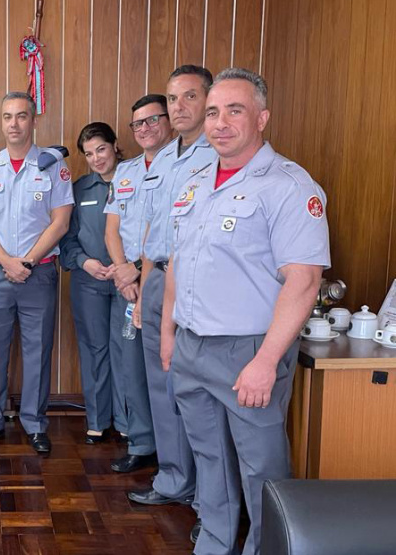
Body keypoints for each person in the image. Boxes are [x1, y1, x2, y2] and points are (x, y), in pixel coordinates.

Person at [161, 68, 329, 555]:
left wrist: (264, 360)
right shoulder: (193, 182)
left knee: (261, 469)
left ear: (262, 118)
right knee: (208, 458)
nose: (220, 122)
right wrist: (169, 333)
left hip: (248, 352)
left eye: (235, 110)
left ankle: (267, 550)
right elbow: (178, 261)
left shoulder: (290, 187)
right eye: (213, 111)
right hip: (192, 346)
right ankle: (214, 544)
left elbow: (304, 281)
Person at [129, 65, 217, 543]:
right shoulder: (162, 159)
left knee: (199, 396)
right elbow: (149, 232)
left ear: (209, 100)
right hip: (159, 277)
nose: (179, 108)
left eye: (189, 98)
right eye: (173, 98)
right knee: (162, 388)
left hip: (198, 286)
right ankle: (174, 479)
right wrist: (144, 291)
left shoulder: (217, 155)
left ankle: (210, 500)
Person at [0, 92, 74, 454]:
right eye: (8, 117)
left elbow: (60, 222)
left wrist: (26, 262)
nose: (14, 124)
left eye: (22, 116)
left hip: (38, 273)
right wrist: (8, 262)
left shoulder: (53, 166)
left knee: (38, 351)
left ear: (34, 121)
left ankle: (34, 423)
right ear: (1, 122)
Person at [102, 94, 172, 473]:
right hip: (126, 286)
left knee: (165, 370)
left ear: (168, 122)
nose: (144, 129)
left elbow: (173, 232)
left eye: (152, 120)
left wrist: (137, 271)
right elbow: (112, 228)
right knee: (132, 366)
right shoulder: (126, 171)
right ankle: (142, 441)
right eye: (137, 124)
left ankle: (172, 453)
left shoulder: (185, 166)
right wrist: (123, 272)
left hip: (162, 280)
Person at [60, 122, 129, 445]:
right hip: (89, 283)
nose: (97, 158)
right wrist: (85, 262)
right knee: (94, 350)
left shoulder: (136, 181)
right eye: (89, 154)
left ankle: (130, 421)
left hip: (129, 282)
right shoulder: (79, 189)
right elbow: (67, 239)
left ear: (115, 146)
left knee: (126, 351)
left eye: (101, 149)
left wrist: (128, 267)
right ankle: (98, 419)